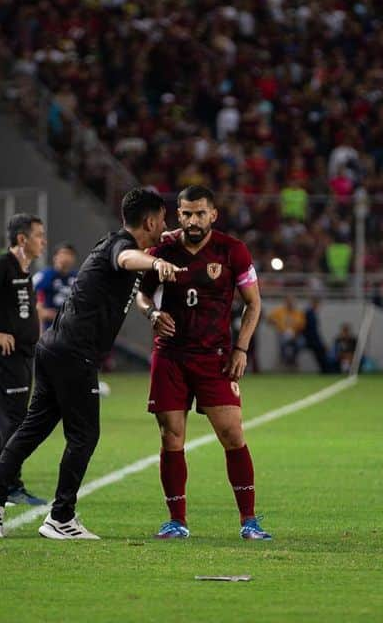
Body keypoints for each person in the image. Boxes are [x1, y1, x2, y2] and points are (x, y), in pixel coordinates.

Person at [0, 188, 183, 540]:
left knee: (33, 428)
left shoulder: (114, 240)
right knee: (84, 436)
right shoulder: (123, 247)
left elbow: (139, 252)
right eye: (163, 219)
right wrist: (156, 262)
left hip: (54, 347)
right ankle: (61, 517)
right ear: (149, 220)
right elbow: (128, 259)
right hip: (74, 353)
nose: (167, 225)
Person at [133, 185, 272, 541]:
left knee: (232, 433)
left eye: (200, 213)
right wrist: (151, 315)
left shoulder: (232, 250)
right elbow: (142, 294)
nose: (193, 220)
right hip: (170, 356)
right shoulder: (162, 251)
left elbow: (253, 304)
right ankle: (176, 520)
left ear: (213, 215)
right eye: (186, 214)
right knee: (171, 438)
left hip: (216, 358)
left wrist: (241, 350)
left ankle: (249, 521)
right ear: (177, 215)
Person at [0, 213, 49, 506]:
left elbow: (27, 310)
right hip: (5, 354)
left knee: (5, 418)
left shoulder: (24, 268)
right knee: (14, 419)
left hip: (23, 354)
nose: (43, 241)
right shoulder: (3, 265)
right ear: (22, 239)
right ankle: (9, 485)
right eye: (39, 235)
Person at [32, 242, 77, 330]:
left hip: (71, 329)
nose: (66, 258)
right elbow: (33, 302)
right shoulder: (45, 275)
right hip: (50, 328)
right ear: (55, 257)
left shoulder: (77, 278)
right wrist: (44, 313)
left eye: (70, 254)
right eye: (63, 253)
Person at [266, 297, 305, 369]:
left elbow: (302, 326)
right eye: (289, 302)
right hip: (282, 334)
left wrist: (295, 334)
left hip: (295, 335)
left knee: (301, 342)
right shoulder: (280, 311)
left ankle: (292, 359)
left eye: (292, 302)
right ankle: (285, 359)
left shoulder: (298, 313)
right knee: (282, 342)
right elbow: (269, 319)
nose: (290, 304)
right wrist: (276, 323)